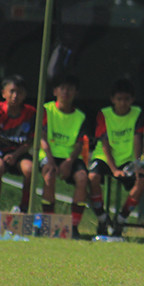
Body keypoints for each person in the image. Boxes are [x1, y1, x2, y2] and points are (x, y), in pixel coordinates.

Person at [88, 78, 144, 237]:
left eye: (127, 99)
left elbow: (137, 139)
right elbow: (105, 142)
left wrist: (136, 165)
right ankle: (101, 217)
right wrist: (114, 169)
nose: (123, 103)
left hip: (127, 159)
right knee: (92, 177)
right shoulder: (104, 114)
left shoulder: (137, 113)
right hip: (105, 157)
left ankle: (121, 219)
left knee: (142, 180)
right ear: (112, 99)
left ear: (132, 100)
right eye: (119, 99)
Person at [38, 73, 89, 239]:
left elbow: (79, 144)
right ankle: (49, 224)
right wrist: (51, 160)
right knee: (49, 175)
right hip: (49, 154)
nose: (66, 92)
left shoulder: (80, 116)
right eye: (62, 88)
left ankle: (73, 227)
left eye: (70, 89)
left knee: (82, 178)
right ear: (55, 91)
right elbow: (42, 137)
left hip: (70, 158)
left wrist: (69, 162)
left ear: (76, 93)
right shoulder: (46, 110)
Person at [0, 74, 36, 213]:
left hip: (19, 152)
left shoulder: (30, 113)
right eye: (12, 91)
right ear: (4, 93)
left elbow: (31, 141)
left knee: (30, 170)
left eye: (19, 92)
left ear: (25, 95)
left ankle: (24, 208)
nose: (15, 96)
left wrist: (15, 155)